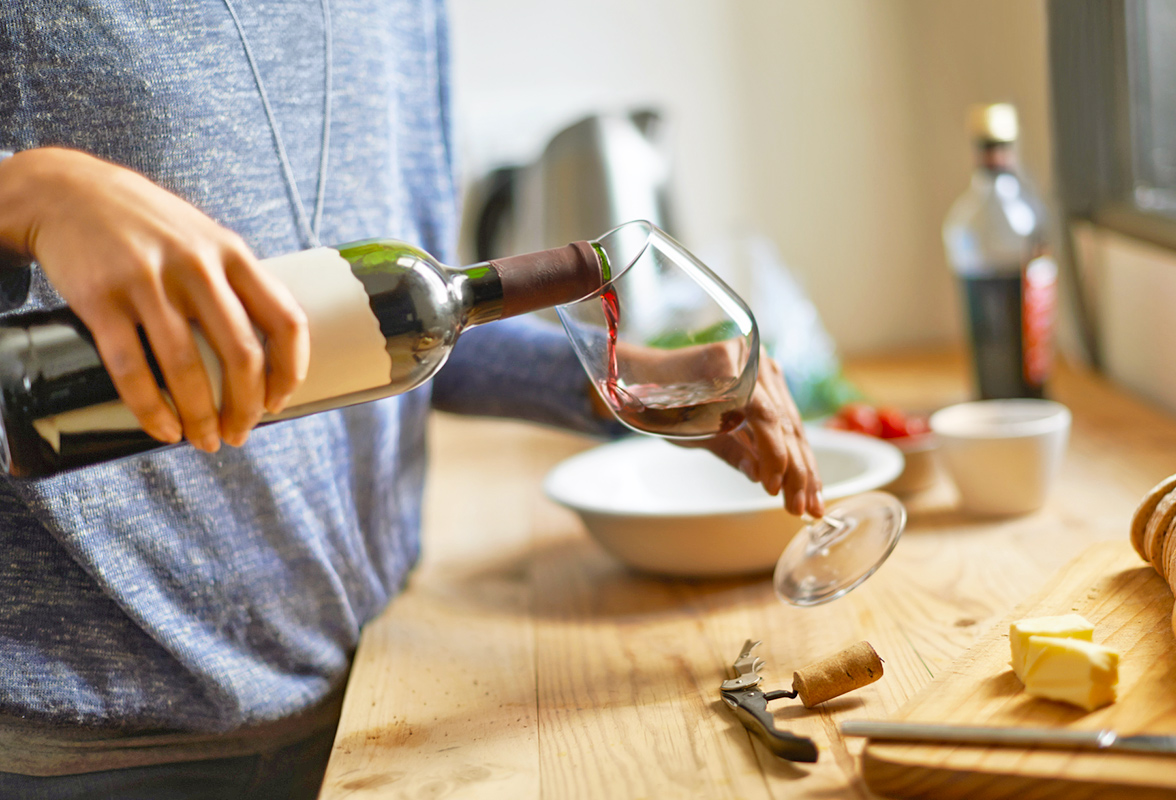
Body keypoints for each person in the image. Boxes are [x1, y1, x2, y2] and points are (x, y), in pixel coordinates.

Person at [0, 1, 823, 797]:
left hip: (375, 691)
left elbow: (387, 332)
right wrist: (28, 193)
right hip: (83, 751)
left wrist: (629, 377)